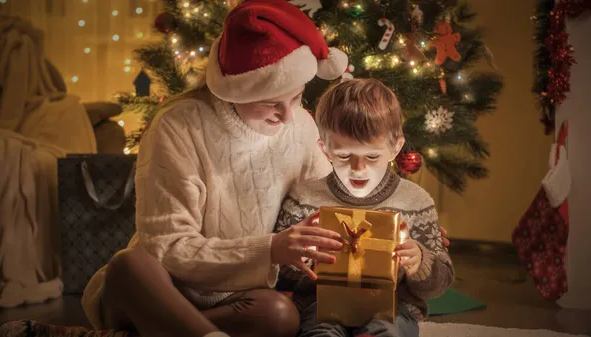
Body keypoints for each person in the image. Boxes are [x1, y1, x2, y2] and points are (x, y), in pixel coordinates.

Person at [80, 1, 351, 337]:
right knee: (129, 265)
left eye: (296, 98)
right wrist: (269, 249)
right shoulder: (179, 126)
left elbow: (333, 202)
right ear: (235, 89)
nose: (288, 116)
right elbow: (166, 246)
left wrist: (395, 228)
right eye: (271, 103)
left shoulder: (301, 130)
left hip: (231, 298)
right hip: (161, 288)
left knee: (279, 315)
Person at [273, 78, 455, 337]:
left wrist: (420, 261)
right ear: (325, 150)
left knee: (388, 330)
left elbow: (440, 282)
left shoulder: (415, 201)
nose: (358, 169)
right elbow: (279, 274)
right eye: (345, 156)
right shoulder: (305, 197)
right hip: (319, 305)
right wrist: (300, 258)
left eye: (372, 156)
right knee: (320, 331)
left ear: (395, 148)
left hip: (393, 309)